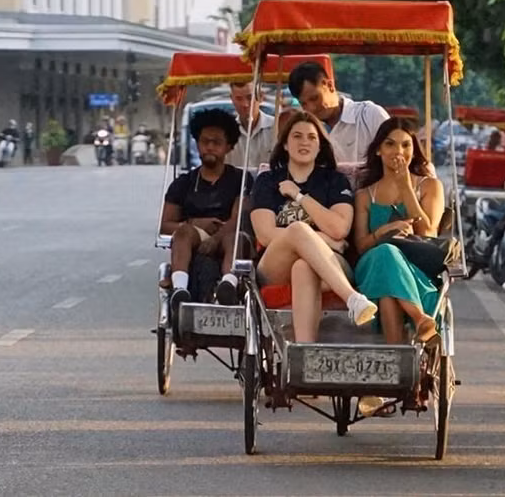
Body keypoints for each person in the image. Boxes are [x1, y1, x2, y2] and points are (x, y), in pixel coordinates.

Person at [250, 111, 378, 342]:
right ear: (286, 144)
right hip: (274, 263)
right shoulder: (267, 181)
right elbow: (266, 234)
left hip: (331, 264)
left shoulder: (335, 181)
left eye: (312, 137)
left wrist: (298, 196)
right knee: (298, 230)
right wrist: (322, 239)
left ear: (320, 146)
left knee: (303, 265)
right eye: (297, 136)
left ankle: (303, 351)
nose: (304, 142)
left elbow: (339, 229)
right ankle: (352, 299)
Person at [353, 117, 445, 346]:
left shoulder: (430, 186)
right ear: (378, 151)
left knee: (388, 293)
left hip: (415, 268)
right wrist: (386, 230)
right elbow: (361, 245)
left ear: (414, 150)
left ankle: (396, 363)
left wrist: (406, 187)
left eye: (406, 145)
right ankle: (419, 318)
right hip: (371, 264)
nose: (399, 151)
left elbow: (428, 231)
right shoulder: (365, 195)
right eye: (390, 144)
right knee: (386, 253)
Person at [161, 108, 254, 311]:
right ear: (197, 143)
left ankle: (228, 284)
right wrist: (194, 223)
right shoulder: (183, 183)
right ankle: (180, 289)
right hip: (194, 237)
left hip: (228, 234)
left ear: (228, 147)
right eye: (205, 142)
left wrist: (216, 238)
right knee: (183, 232)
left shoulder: (241, 179)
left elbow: (239, 217)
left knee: (236, 236)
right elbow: (165, 225)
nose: (210, 147)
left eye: (217, 142)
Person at [288, 61, 389, 164]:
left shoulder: (370, 115)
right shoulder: (305, 131)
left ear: (329, 85)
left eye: (315, 98)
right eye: (304, 104)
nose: (311, 108)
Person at [227, 81, 276, 169]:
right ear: (232, 99)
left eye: (250, 97)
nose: (245, 104)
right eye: (239, 98)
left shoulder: (276, 128)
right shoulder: (227, 132)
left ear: (260, 96)